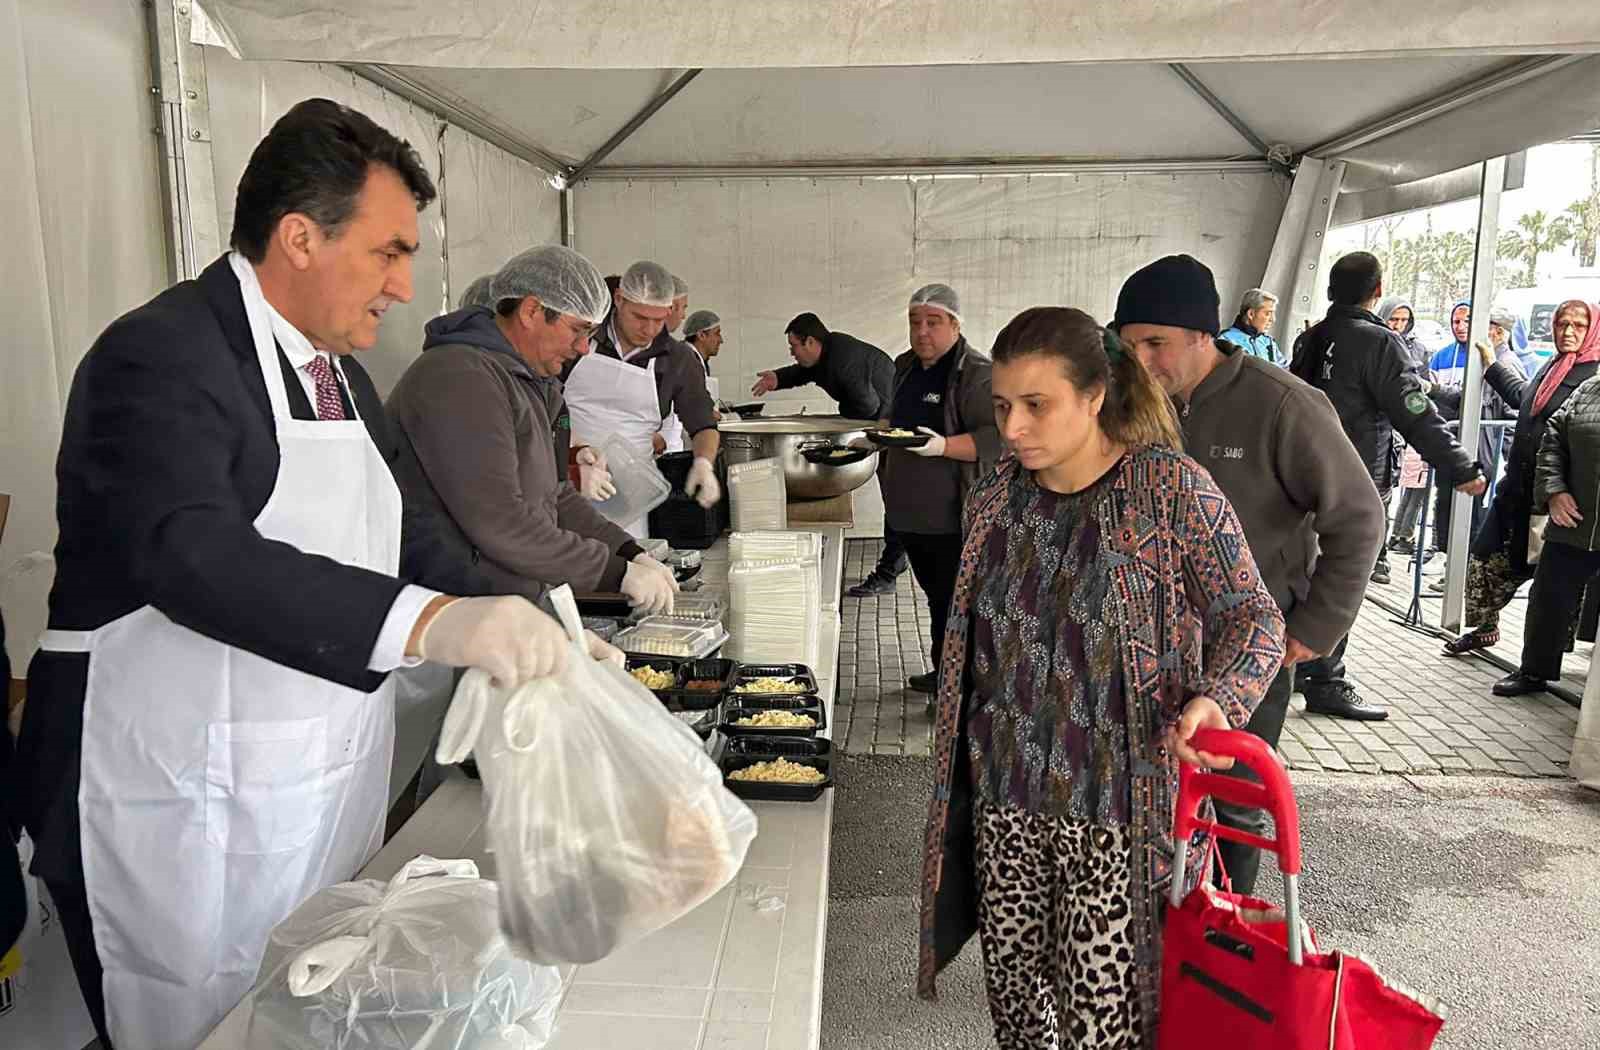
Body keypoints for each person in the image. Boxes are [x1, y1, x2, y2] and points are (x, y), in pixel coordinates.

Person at [12, 99, 617, 1050]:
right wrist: (432, 626)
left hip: (307, 777)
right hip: (175, 794)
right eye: (388, 252)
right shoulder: (162, 354)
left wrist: (538, 623)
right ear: (299, 236)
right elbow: (187, 551)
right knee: (195, 1020)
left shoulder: (336, 371)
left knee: (301, 1008)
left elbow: (409, 527)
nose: (405, 286)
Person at [916, 306, 1285, 1047]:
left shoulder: (1169, 489)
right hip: (1007, 805)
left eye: (1035, 405)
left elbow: (1254, 616)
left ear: (1094, 397)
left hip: (1122, 817)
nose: (1013, 427)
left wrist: (1219, 699)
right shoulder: (995, 497)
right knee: (1019, 1019)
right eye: (1002, 407)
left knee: (1106, 1029)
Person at [1115, 254, 1384, 888]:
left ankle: (1228, 937)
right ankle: (1158, 935)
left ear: (1204, 335)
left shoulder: (1283, 403)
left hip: (1244, 653)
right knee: (1149, 801)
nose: (1142, 360)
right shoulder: (1128, 407)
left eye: (1157, 342)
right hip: (1146, 650)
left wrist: (1315, 629)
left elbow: (1358, 517)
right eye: (1129, 345)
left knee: (1231, 802)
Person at [386, 245, 680, 615]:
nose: (584, 348)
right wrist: (615, 572)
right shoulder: (460, 377)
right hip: (452, 610)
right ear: (531, 311)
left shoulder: (535, 383)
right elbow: (500, 521)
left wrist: (631, 553)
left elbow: (556, 496)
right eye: (577, 330)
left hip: (507, 604)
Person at [1290, 251, 1485, 720]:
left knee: (1301, 573)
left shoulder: (1309, 339)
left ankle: (1297, 666)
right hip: (1354, 481)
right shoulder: (1381, 343)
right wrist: (1460, 467)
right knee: (1342, 577)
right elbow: (1415, 411)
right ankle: (1326, 679)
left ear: (1332, 289)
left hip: (1297, 479)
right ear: (1377, 291)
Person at [1470, 303, 1600, 694]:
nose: (1569, 331)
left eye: (1579, 325)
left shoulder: (1588, 372)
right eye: (1562, 323)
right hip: (1561, 512)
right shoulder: (1586, 385)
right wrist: (1555, 490)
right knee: (1548, 591)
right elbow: (1554, 433)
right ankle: (1533, 669)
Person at [878, 285, 1001, 694]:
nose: (922, 332)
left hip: (952, 516)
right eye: (915, 322)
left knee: (958, 603)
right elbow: (893, 420)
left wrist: (944, 446)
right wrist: (873, 438)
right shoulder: (906, 366)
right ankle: (944, 672)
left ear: (955, 323)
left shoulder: (976, 374)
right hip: (909, 514)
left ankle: (963, 684)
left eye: (933, 322)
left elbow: (999, 438)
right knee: (936, 598)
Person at [750, 313, 906, 596]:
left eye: (794, 347)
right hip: (882, 420)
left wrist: (839, 431)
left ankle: (889, 572)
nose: (792, 353)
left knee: (897, 500)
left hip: (890, 424)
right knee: (896, 500)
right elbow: (803, 372)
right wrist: (778, 378)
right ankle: (896, 562)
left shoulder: (844, 361)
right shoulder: (827, 353)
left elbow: (865, 405)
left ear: (811, 341)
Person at [562, 261, 721, 532]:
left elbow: (702, 423)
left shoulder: (677, 360)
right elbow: (541, 401)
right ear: (619, 300)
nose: (648, 330)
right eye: (640, 317)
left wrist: (704, 463)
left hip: (629, 499)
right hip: (568, 482)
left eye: (658, 320)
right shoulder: (579, 339)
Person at [1379, 297, 1434, 556]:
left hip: (1405, 427)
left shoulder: (1420, 349)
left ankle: (1394, 540)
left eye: (1404, 320)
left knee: (1403, 485)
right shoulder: (1374, 341)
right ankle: (1378, 549)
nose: (1399, 325)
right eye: (1394, 319)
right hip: (1378, 424)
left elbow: (1421, 386)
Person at [1218, 287, 1283, 365]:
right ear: (1251, 314)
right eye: (1267, 314)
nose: (1273, 319)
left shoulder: (1269, 342)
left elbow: (1286, 370)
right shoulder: (1225, 340)